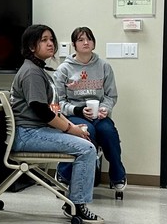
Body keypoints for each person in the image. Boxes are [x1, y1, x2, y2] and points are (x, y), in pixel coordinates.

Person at [9, 24, 103, 224]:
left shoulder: (38, 69)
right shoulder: (32, 73)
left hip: (36, 131)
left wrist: (73, 127)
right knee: (87, 149)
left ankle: (74, 200)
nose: (50, 43)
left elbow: (52, 110)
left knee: (84, 140)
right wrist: (72, 129)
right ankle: (77, 205)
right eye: (44, 40)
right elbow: (41, 111)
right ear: (32, 46)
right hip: (28, 135)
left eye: (51, 39)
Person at [53, 26, 126, 191]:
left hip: (98, 114)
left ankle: (117, 176)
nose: (85, 42)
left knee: (109, 132)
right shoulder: (64, 69)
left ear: (94, 43)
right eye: (80, 39)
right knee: (87, 131)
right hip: (74, 115)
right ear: (74, 44)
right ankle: (64, 173)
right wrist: (76, 110)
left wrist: (105, 109)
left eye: (89, 39)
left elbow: (110, 95)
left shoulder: (104, 66)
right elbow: (58, 102)